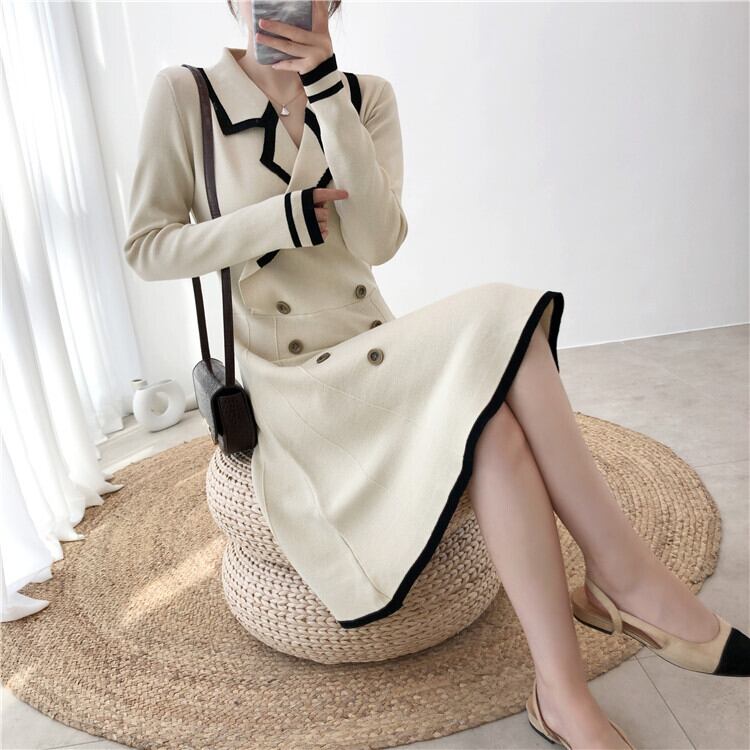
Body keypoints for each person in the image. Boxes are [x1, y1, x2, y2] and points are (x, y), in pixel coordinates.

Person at [122, 2, 749, 748]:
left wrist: (327, 92)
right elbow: (148, 247)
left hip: (371, 347)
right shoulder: (186, 96)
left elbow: (378, 242)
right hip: (288, 381)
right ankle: (624, 576)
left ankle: (562, 693)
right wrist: (276, 221)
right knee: (502, 315)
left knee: (499, 432)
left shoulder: (365, 96)